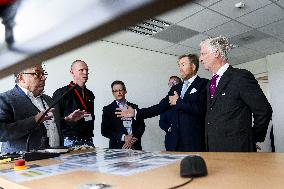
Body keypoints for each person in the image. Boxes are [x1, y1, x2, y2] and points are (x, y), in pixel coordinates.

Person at [115, 54, 209, 152]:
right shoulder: (176, 88)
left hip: (194, 143)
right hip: (174, 143)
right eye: (179, 65)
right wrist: (135, 113)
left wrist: (178, 102)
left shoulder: (204, 84)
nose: (180, 68)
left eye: (183, 65)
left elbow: (202, 109)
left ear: (193, 66)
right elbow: (160, 107)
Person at [199, 36, 273, 152]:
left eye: (203, 54)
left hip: (237, 149)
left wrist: (252, 138)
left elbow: (264, 111)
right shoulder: (210, 84)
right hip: (214, 149)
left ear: (216, 53)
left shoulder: (240, 77)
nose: (200, 59)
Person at [0, 64, 86, 153]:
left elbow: (50, 126)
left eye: (43, 73)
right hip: (24, 162)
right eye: (37, 74)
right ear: (21, 78)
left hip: (56, 158)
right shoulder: (4, 99)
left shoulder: (48, 99)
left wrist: (67, 120)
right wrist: (34, 120)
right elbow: (1, 133)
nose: (43, 78)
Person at [53, 60, 95, 147]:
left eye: (87, 70)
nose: (85, 73)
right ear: (72, 73)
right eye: (81, 70)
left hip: (89, 141)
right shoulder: (61, 93)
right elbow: (54, 121)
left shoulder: (90, 94)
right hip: (70, 141)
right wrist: (68, 119)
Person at [101, 80, 145, 150]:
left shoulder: (134, 107)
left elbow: (141, 126)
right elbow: (105, 131)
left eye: (120, 90)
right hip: (117, 148)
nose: (118, 92)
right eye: (115, 91)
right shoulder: (108, 109)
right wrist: (124, 137)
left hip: (135, 147)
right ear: (113, 93)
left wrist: (134, 138)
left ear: (125, 91)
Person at [159, 76, 182, 151]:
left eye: (175, 82)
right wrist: (169, 128)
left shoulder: (185, 99)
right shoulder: (165, 102)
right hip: (171, 139)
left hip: (186, 138)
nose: (172, 85)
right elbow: (161, 122)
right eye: (170, 83)